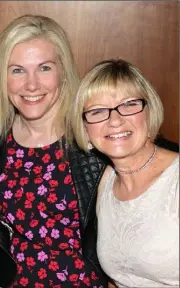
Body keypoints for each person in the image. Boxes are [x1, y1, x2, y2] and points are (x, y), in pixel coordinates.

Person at [0, 15, 109, 287]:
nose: (31, 85)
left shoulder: (94, 137)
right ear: (2, 78)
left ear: (63, 71)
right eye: (17, 70)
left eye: (44, 68)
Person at [69, 59, 179, 287]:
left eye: (128, 105)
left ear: (149, 114)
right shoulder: (106, 183)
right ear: (86, 131)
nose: (115, 120)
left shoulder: (175, 181)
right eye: (97, 111)